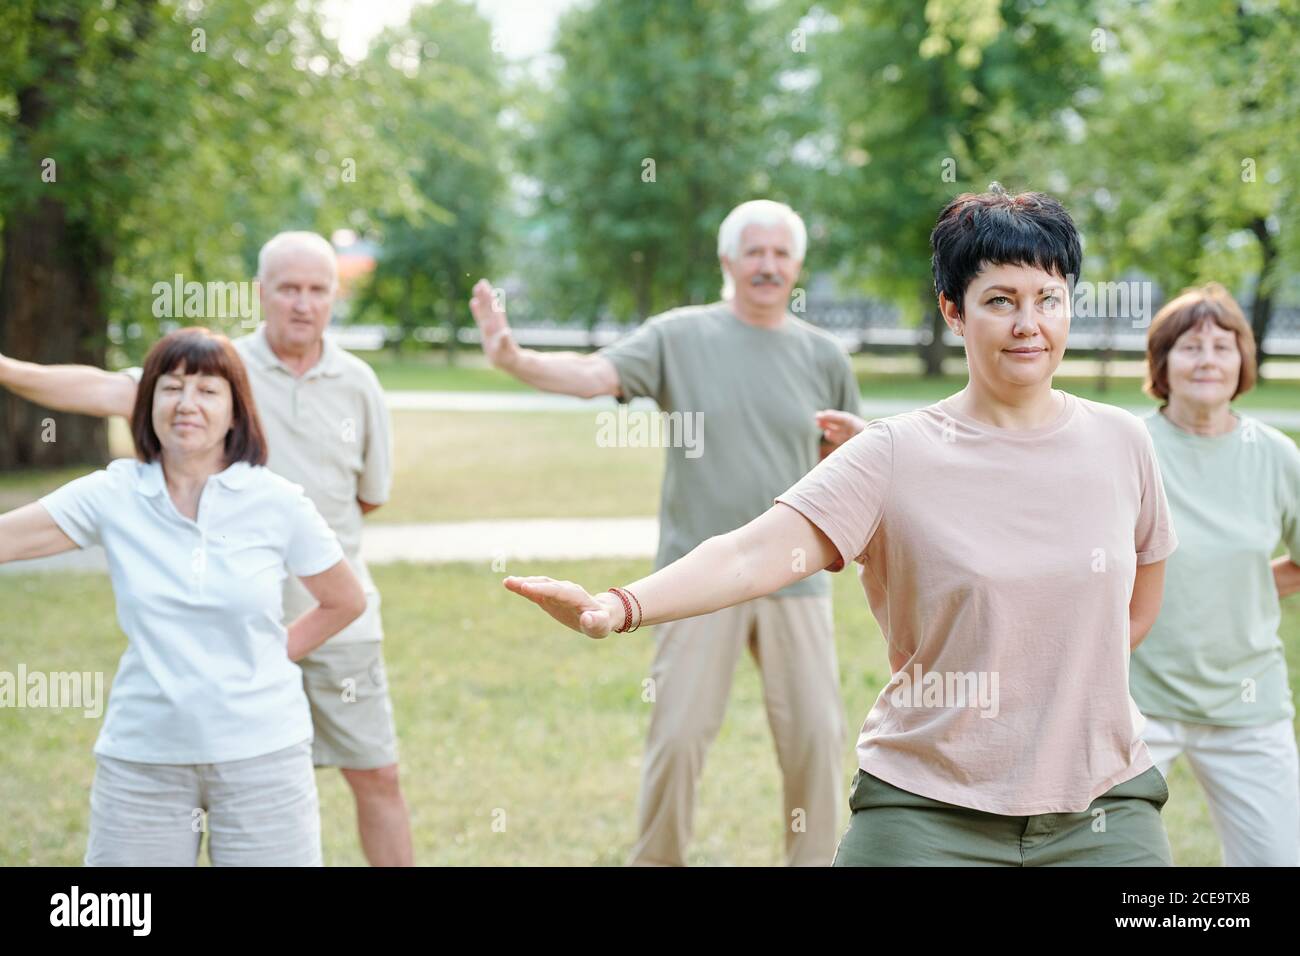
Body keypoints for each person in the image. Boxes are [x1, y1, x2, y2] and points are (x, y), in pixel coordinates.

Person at [499, 185, 1180, 866]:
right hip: (928, 811)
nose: (1028, 323)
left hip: (1102, 809)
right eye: (1000, 300)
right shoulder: (891, 452)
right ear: (954, 311)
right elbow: (750, 554)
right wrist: (615, 607)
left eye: (1048, 298)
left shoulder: (1124, 443)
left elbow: (1136, 608)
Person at [469, 200, 863, 865]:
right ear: (727, 261)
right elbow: (595, 376)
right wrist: (514, 358)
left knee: (818, 744)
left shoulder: (825, 355)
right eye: (754, 252)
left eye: (780, 254)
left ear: (797, 264)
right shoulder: (678, 336)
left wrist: (850, 450)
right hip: (694, 582)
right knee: (677, 739)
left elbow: (847, 472)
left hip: (793, 579)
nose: (768, 265)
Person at [0, 232, 409, 865]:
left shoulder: (333, 418)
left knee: (376, 774)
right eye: (288, 288)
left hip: (300, 661)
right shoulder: (211, 367)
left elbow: (368, 503)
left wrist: (272, 639)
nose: (302, 303)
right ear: (261, 293)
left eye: (317, 290)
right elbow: (98, 392)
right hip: (152, 744)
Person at [1133, 282, 1300, 866]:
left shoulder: (1277, 455)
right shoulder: (1130, 447)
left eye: (1223, 346)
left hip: (1247, 704)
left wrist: (1243, 586)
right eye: (1189, 346)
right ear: (1161, 362)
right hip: (1134, 702)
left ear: (1243, 362)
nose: (1207, 359)